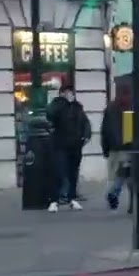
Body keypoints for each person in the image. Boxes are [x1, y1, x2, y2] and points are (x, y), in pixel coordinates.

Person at [46, 83, 91, 212]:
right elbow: (50, 114)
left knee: (73, 173)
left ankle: (72, 198)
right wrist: (62, 101)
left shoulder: (77, 107)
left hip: (75, 145)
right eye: (66, 92)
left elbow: (85, 122)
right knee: (59, 172)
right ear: (61, 94)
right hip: (60, 145)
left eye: (71, 92)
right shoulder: (57, 105)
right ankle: (54, 200)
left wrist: (86, 135)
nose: (69, 94)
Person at [99, 83, 135, 210]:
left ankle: (112, 193)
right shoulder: (130, 107)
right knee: (129, 175)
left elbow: (105, 130)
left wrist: (105, 148)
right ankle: (129, 202)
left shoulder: (111, 108)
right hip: (128, 147)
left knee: (114, 175)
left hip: (114, 147)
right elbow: (130, 130)